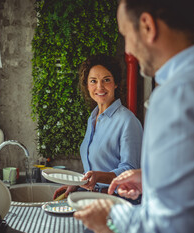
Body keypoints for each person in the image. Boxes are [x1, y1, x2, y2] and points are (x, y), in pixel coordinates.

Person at [74, 0, 194, 233]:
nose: (129, 50)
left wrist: (112, 216)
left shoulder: (178, 95)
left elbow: (175, 230)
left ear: (147, 26)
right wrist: (152, 177)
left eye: (126, 35)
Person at [53, 54, 143, 200]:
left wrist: (98, 177)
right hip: (93, 200)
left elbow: (131, 170)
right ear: (87, 86)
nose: (100, 87)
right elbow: (96, 165)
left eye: (106, 80)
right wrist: (77, 183)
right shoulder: (93, 118)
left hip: (117, 203)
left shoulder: (128, 121)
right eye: (93, 81)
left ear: (116, 83)